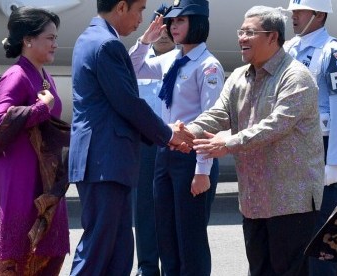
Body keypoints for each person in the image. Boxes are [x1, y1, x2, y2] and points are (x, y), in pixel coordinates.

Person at [189, 6, 324, 275]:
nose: (241, 38)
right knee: (259, 270)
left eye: (249, 33)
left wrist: (227, 144)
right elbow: (220, 113)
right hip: (254, 199)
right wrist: (186, 132)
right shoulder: (239, 75)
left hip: (290, 201)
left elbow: (274, 126)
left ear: (273, 37)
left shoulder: (296, 77)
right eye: (241, 32)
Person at [68, 0, 195, 275]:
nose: (142, 18)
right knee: (99, 248)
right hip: (105, 161)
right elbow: (128, 102)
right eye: (139, 10)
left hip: (106, 161)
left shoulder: (91, 38)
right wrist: (169, 133)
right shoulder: (106, 45)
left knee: (119, 250)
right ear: (122, 7)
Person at [129, 0, 224, 274]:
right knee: (166, 236)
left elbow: (212, 122)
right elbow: (132, 69)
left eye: (181, 21)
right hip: (166, 155)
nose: (173, 27)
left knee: (190, 240)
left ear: (198, 23)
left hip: (192, 157)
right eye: (172, 22)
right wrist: (145, 41)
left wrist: (202, 170)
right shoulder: (173, 58)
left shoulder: (208, 66)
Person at [0, 7, 70, 275]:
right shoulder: (16, 76)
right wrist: (40, 109)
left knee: (48, 256)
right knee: (19, 257)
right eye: (50, 38)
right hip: (20, 180)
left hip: (43, 177)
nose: (55, 44)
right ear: (28, 40)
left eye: (56, 38)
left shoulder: (44, 75)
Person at [283, 0, 337, 274]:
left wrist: (334, 160)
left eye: (300, 11)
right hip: (289, 147)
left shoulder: (332, 52)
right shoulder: (288, 48)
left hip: (319, 148)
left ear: (319, 14)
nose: (294, 16)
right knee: (292, 230)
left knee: (320, 233)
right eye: (293, 11)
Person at [131, 4, 176, 276]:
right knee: (144, 208)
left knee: (171, 210)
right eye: (158, 26)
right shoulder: (138, 60)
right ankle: (147, 266)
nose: (164, 32)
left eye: (169, 26)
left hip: (173, 141)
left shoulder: (183, 60)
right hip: (146, 144)